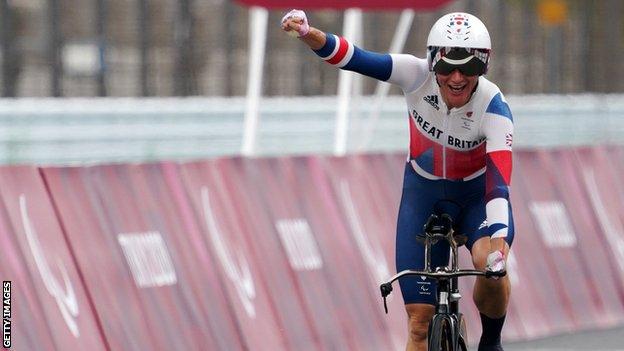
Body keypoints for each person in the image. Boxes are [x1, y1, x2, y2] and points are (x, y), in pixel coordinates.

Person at [281, 9, 513, 351]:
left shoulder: (494, 106)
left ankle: (491, 342)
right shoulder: (414, 74)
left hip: (477, 198)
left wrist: (499, 244)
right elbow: (354, 58)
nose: (458, 78)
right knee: (419, 323)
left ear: (486, 66)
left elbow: (498, 186)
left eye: (471, 67)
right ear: (432, 62)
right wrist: (307, 33)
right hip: (423, 195)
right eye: (447, 66)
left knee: (489, 267)